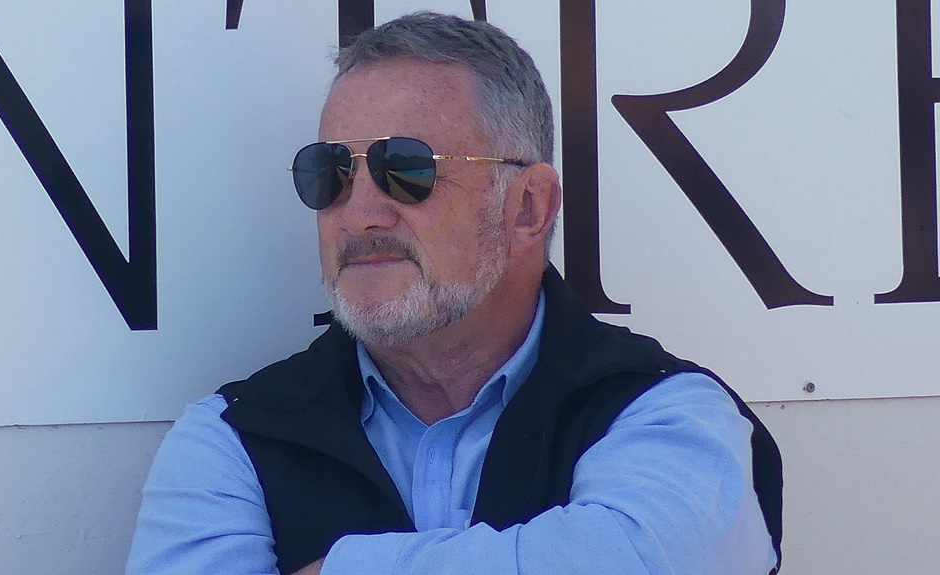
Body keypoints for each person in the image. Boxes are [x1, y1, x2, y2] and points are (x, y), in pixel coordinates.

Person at [126, 11, 782, 575]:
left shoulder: (664, 412)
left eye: (405, 168)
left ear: (529, 206)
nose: (358, 215)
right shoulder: (229, 440)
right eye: (328, 172)